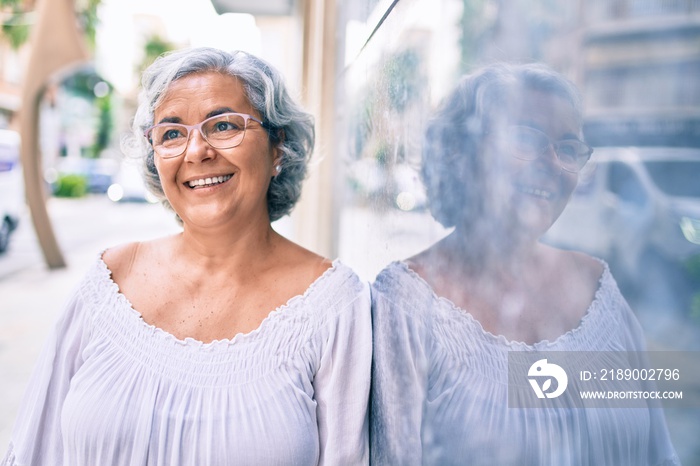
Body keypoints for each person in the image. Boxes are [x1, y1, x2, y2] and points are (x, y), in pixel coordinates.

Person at [2, 47, 371, 465]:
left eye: (224, 125)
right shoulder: (109, 281)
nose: (196, 151)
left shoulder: (335, 305)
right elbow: (36, 450)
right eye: (172, 133)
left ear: (277, 148)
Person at [370, 63, 680, 465]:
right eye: (524, 138)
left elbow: (659, 453)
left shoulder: (598, 289)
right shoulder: (406, 304)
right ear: (460, 154)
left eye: (567, 148)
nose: (551, 162)